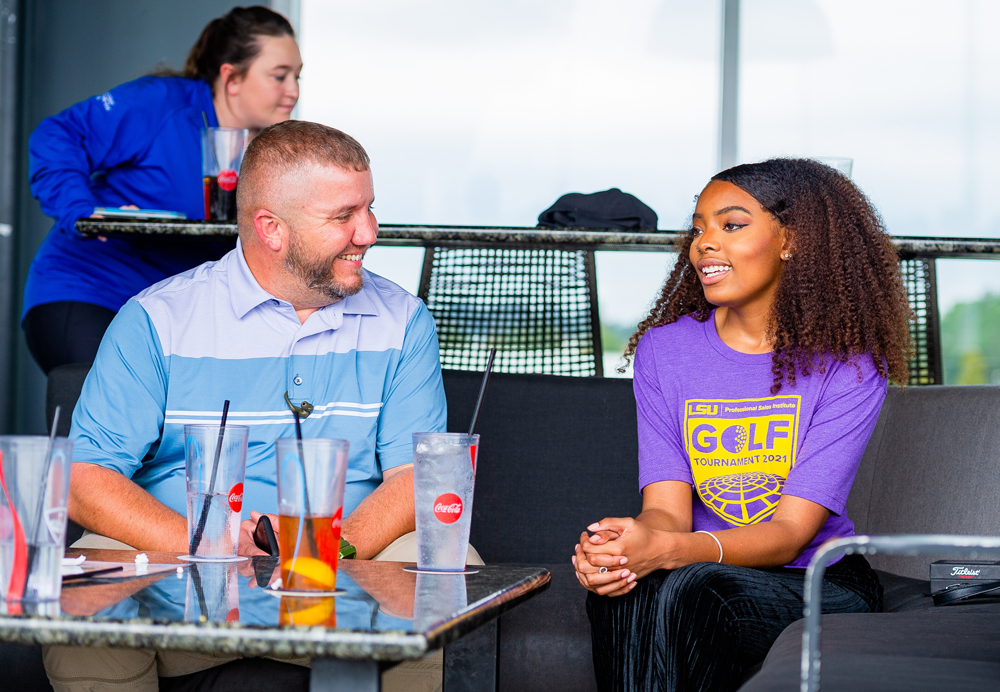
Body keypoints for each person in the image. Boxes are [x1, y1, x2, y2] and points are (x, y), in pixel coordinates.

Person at [44, 121, 479, 692]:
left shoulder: (404, 321)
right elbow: (87, 477)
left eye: (370, 209)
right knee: (77, 598)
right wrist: (207, 543)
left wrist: (328, 549)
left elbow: (413, 479)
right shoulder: (157, 319)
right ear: (271, 229)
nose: (369, 232)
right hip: (175, 559)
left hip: (348, 567)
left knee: (448, 568)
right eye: (343, 216)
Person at [573, 159, 912, 692]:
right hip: (698, 569)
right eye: (699, 227)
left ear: (790, 241)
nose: (704, 242)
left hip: (817, 580)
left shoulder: (849, 368)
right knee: (625, 589)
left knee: (694, 590)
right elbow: (665, 511)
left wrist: (664, 552)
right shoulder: (666, 352)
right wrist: (625, 549)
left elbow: (788, 535)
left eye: (730, 225)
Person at [23, 5, 301, 374]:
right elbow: (58, 134)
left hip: (173, 315)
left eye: (298, 77)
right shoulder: (161, 103)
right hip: (91, 292)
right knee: (112, 415)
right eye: (279, 77)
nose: (293, 91)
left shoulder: (276, 150)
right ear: (231, 78)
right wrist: (84, 212)